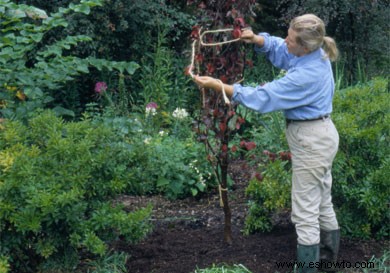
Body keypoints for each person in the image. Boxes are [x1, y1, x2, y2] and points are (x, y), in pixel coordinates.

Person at [193, 14, 340, 273]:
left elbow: (264, 96)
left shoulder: (306, 75)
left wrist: (220, 86)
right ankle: (328, 263)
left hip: (312, 141)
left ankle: (309, 269)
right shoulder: (314, 53)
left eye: (291, 39)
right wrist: (257, 39)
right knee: (322, 200)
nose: (285, 40)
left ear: (305, 46)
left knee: (305, 211)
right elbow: (284, 52)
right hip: (322, 134)